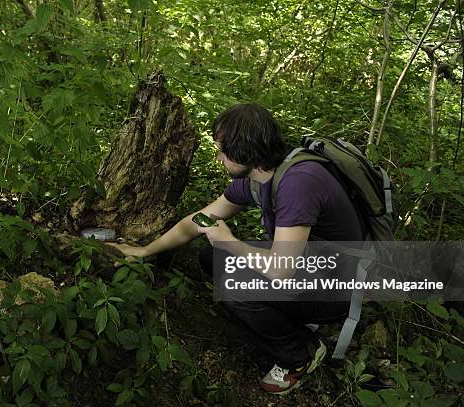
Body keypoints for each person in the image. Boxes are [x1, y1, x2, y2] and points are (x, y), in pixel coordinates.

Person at [108, 103, 364, 395]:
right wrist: (144, 251)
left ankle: (300, 352)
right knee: (212, 258)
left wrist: (228, 241)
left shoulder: (297, 184)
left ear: (244, 150)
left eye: (222, 150)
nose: (218, 158)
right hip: (309, 266)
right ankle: (293, 315)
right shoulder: (258, 178)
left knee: (232, 281)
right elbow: (197, 222)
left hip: (337, 287)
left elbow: (280, 271)